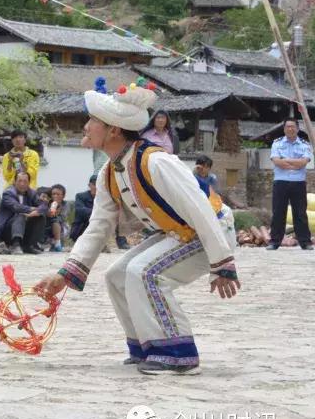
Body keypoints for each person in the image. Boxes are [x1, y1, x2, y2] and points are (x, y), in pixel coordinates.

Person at [37, 80, 239, 376]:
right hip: (178, 233)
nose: (86, 126)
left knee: (144, 271)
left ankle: (176, 352)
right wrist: (64, 275)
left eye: (92, 121)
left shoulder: (156, 161)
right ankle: (146, 346)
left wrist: (222, 263)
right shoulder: (109, 171)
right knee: (117, 275)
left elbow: (200, 209)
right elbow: (99, 226)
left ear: (114, 131)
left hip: (212, 231)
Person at [268, 119, 313, 251]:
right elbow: (277, 161)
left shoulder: (304, 144)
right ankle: (274, 242)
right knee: (278, 212)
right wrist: (294, 163)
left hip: (298, 183)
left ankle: (305, 242)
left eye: (293, 127)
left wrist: (286, 161)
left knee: (300, 212)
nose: (290, 129)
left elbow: (303, 162)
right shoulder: (277, 143)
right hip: (280, 182)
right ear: (284, 129)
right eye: (288, 127)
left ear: (297, 129)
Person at [0, 171, 47, 254]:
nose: (22, 184)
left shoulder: (32, 193)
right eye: (20, 181)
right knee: (20, 215)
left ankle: (30, 245)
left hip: (24, 227)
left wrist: (38, 211)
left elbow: (43, 205)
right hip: (7, 229)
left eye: (25, 181)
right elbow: (16, 207)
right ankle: (16, 245)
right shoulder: (8, 193)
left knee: (40, 216)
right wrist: (32, 209)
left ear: (29, 183)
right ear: (14, 182)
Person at [46, 184, 72, 253]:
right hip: (49, 225)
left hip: (60, 225)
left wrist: (57, 210)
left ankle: (57, 243)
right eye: (53, 194)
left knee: (56, 221)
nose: (55, 196)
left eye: (58, 194)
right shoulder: (47, 203)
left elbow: (63, 217)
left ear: (63, 196)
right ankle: (53, 244)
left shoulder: (66, 204)